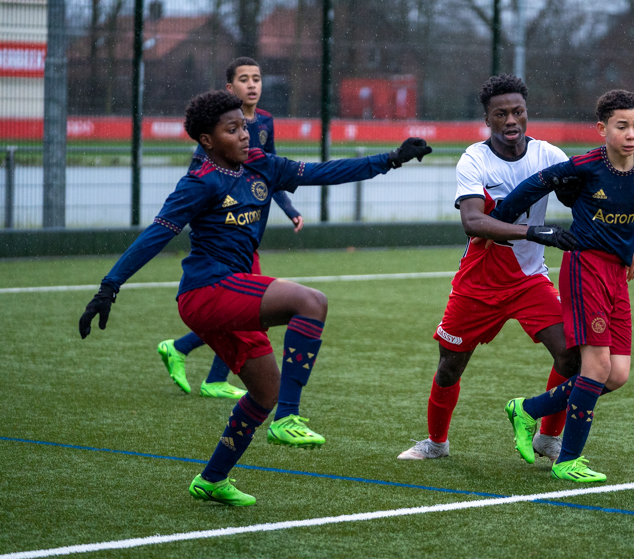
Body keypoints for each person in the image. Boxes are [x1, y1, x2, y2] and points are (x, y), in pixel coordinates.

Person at [79, 90, 431, 505]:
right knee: (311, 301)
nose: (244, 135)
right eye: (232, 130)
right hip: (205, 292)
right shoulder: (199, 182)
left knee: (263, 392)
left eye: (243, 126)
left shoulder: (264, 166)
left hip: (230, 294)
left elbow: (326, 172)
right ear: (207, 141)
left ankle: (212, 479)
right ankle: (289, 418)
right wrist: (110, 285)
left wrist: (390, 159)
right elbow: (157, 233)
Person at [397, 74, 581, 462]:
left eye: (518, 112)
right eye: (501, 114)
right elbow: (473, 221)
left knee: (571, 356)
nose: (511, 121)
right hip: (478, 284)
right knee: (449, 367)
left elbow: (580, 192)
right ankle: (436, 443)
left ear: (527, 113)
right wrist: (533, 231)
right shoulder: (474, 159)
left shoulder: (549, 154)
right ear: (487, 119)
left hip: (530, 281)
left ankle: (547, 437)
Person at [495, 89, 634, 483]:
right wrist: (503, 220)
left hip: (617, 274)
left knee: (617, 374)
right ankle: (566, 459)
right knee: (597, 366)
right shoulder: (586, 166)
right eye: (622, 126)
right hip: (584, 267)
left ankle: (528, 409)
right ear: (602, 128)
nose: (631, 134)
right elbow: (535, 184)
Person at [157, 57, 305, 400]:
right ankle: (192, 359)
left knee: (250, 310)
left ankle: (202, 368)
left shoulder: (265, 121)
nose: (252, 85)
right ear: (230, 88)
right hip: (227, 233)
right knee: (251, 311)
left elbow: (272, 170)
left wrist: (289, 207)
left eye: (257, 78)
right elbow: (200, 177)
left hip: (253, 225)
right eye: (244, 79)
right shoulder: (218, 127)